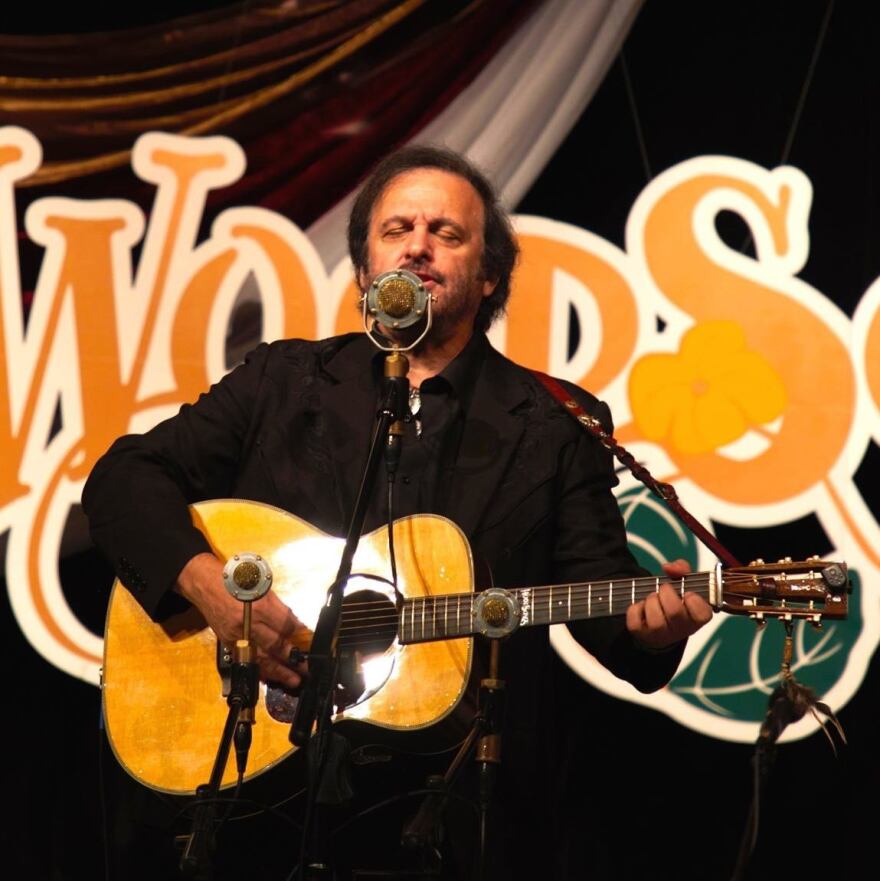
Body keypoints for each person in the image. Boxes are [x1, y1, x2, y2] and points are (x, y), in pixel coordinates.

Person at [83, 145, 713, 880]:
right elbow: (123, 480)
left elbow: (604, 603)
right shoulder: (283, 381)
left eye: (447, 233)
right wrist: (211, 589)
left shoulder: (555, 422)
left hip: (455, 815)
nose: (418, 244)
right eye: (397, 229)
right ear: (362, 270)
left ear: (489, 275)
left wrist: (651, 629)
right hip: (264, 804)